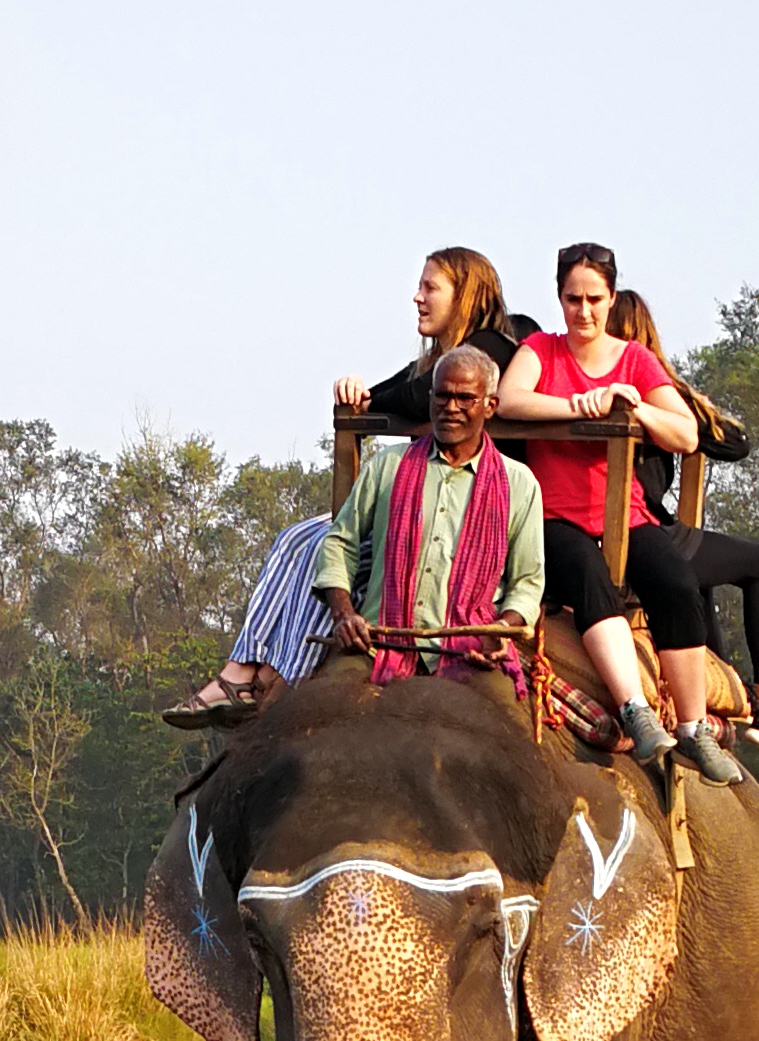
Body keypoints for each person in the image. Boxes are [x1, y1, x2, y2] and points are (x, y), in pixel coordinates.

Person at [165, 249, 531, 731]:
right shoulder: (436, 360)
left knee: (322, 543)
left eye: (430, 287)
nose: (417, 297)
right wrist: (357, 394)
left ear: (464, 295)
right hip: (419, 495)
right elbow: (402, 388)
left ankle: (274, 675)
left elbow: (413, 395)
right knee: (306, 540)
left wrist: (375, 398)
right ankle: (245, 670)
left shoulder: (489, 347)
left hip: (472, 504)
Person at [496, 243, 742, 786]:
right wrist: (576, 406)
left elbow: (686, 432)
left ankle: (695, 728)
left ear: (612, 299)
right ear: (559, 299)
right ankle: (636, 709)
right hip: (555, 518)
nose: (583, 312)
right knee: (588, 575)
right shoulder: (541, 351)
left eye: (593, 300)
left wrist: (634, 403)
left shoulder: (634, 358)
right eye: (572, 299)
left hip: (626, 518)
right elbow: (508, 399)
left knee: (677, 582)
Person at [608, 290, 759, 754]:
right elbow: (735, 443)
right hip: (645, 532)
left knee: (701, 577)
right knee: (757, 562)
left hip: (588, 531)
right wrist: (689, 398)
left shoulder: (584, 390)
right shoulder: (659, 394)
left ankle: (711, 669)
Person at [313, 346, 543, 688]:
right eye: (442, 396)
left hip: (471, 652)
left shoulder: (519, 483)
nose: (451, 408)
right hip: (378, 646)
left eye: (465, 398)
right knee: (323, 712)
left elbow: (527, 581)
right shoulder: (386, 466)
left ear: (490, 406)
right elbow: (340, 542)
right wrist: (345, 614)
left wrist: (500, 632)